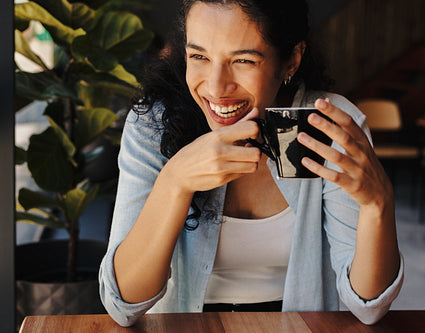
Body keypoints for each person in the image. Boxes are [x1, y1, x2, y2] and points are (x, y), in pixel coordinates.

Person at [99, 0, 403, 327]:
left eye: (243, 60)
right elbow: (123, 304)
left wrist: (378, 205)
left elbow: (368, 306)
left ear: (291, 61)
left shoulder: (328, 126)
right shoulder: (153, 126)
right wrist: (175, 181)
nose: (216, 87)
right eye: (199, 56)